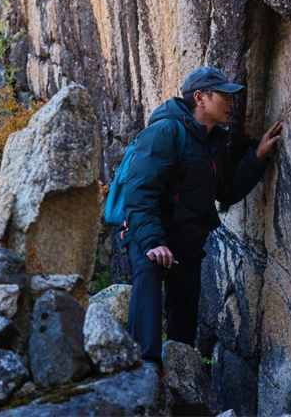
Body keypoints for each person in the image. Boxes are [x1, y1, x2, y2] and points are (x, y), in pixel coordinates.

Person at [118, 66, 282, 369]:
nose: (231, 102)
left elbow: (227, 191)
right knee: (149, 274)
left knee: (183, 327)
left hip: (187, 244)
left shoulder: (212, 142)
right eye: (224, 96)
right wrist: (153, 242)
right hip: (150, 234)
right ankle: (143, 369)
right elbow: (140, 193)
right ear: (200, 98)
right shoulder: (165, 132)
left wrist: (257, 157)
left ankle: (180, 378)